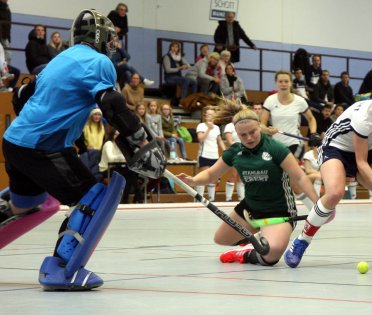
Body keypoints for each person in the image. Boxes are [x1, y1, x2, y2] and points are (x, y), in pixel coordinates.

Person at [0, 9, 165, 290]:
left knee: (25, 205)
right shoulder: (99, 62)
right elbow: (111, 102)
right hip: (44, 145)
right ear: (100, 37)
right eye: (111, 39)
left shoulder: (60, 58)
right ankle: (61, 269)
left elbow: (21, 96)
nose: (114, 46)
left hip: (15, 141)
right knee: (93, 198)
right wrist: (140, 139)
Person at [284, 81, 372, 269]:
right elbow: (360, 162)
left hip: (364, 147)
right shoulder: (364, 118)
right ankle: (301, 242)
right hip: (336, 147)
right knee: (334, 193)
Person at [177, 103, 318, 266]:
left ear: (259, 126)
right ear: (237, 133)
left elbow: (300, 177)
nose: (249, 138)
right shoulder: (235, 151)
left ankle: (245, 253)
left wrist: (318, 205)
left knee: (270, 255)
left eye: (253, 132)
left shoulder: (275, 148)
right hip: (249, 210)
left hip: (279, 211)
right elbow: (210, 174)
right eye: (243, 135)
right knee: (221, 239)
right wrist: (193, 180)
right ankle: (256, 239)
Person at [261, 70, 321, 211]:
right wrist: (268, 130)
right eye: (280, 81)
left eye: (286, 81)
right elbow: (261, 125)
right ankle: (315, 210)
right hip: (275, 146)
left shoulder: (299, 101)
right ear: (276, 83)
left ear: (291, 83)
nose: (283, 84)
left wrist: (313, 133)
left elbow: (312, 119)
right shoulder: (270, 101)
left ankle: (316, 211)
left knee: (289, 181)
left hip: (294, 145)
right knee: (293, 185)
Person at [195, 106, 225, 201]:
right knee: (203, 179)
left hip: (214, 155)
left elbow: (219, 140)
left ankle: (211, 200)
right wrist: (208, 129)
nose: (210, 116)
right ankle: (199, 200)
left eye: (212, 114)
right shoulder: (201, 126)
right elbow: (200, 139)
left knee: (213, 179)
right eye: (208, 114)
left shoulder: (216, 127)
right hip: (204, 155)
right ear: (204, 116)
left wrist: (225, 150)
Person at [222, 119, 245, 202]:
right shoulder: (229, 126)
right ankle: (228, 199)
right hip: (235, 152)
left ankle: (242, 199)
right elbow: (230, 141)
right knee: (233, 176)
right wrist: (240, 149)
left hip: (246, 153)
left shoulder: (244, 124)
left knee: (242, 177)